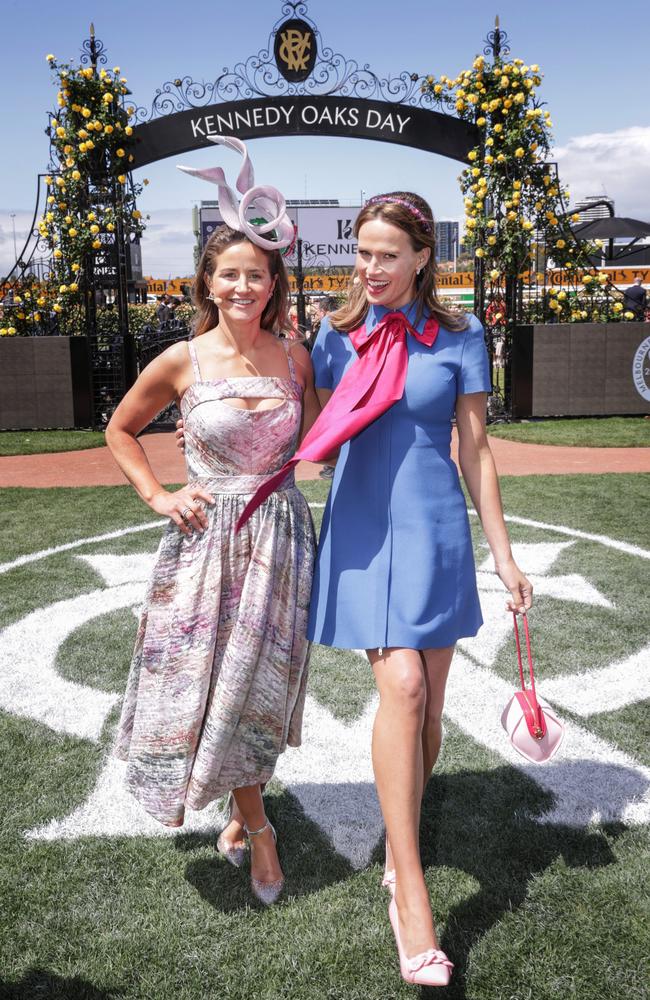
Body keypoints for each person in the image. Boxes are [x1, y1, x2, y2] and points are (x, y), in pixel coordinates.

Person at [271, 191, 532, 986]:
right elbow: (305, 425)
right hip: (361, 530)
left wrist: (505, 554)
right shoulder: (337, 333)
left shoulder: (462, 334)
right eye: (363, 253)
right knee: (406, 688)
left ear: (424, 258)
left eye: (388, 254)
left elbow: (476, 450)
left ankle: (403, 832)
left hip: (434, 531)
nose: (372, 267)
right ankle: (408, 889)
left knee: (428, 714)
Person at [106, 137, 319, 906]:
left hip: (283, 539)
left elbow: (322, 438)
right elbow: (119, 430)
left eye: (254, 275)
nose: (240, 286)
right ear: (209, 281)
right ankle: (260, 831)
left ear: (273, 282)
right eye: (227, 274)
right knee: (213, 689)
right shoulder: (180, 360)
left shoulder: (295, 357)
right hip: (205, 547)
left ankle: (240, 813)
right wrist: (161, 497)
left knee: (262, 691)